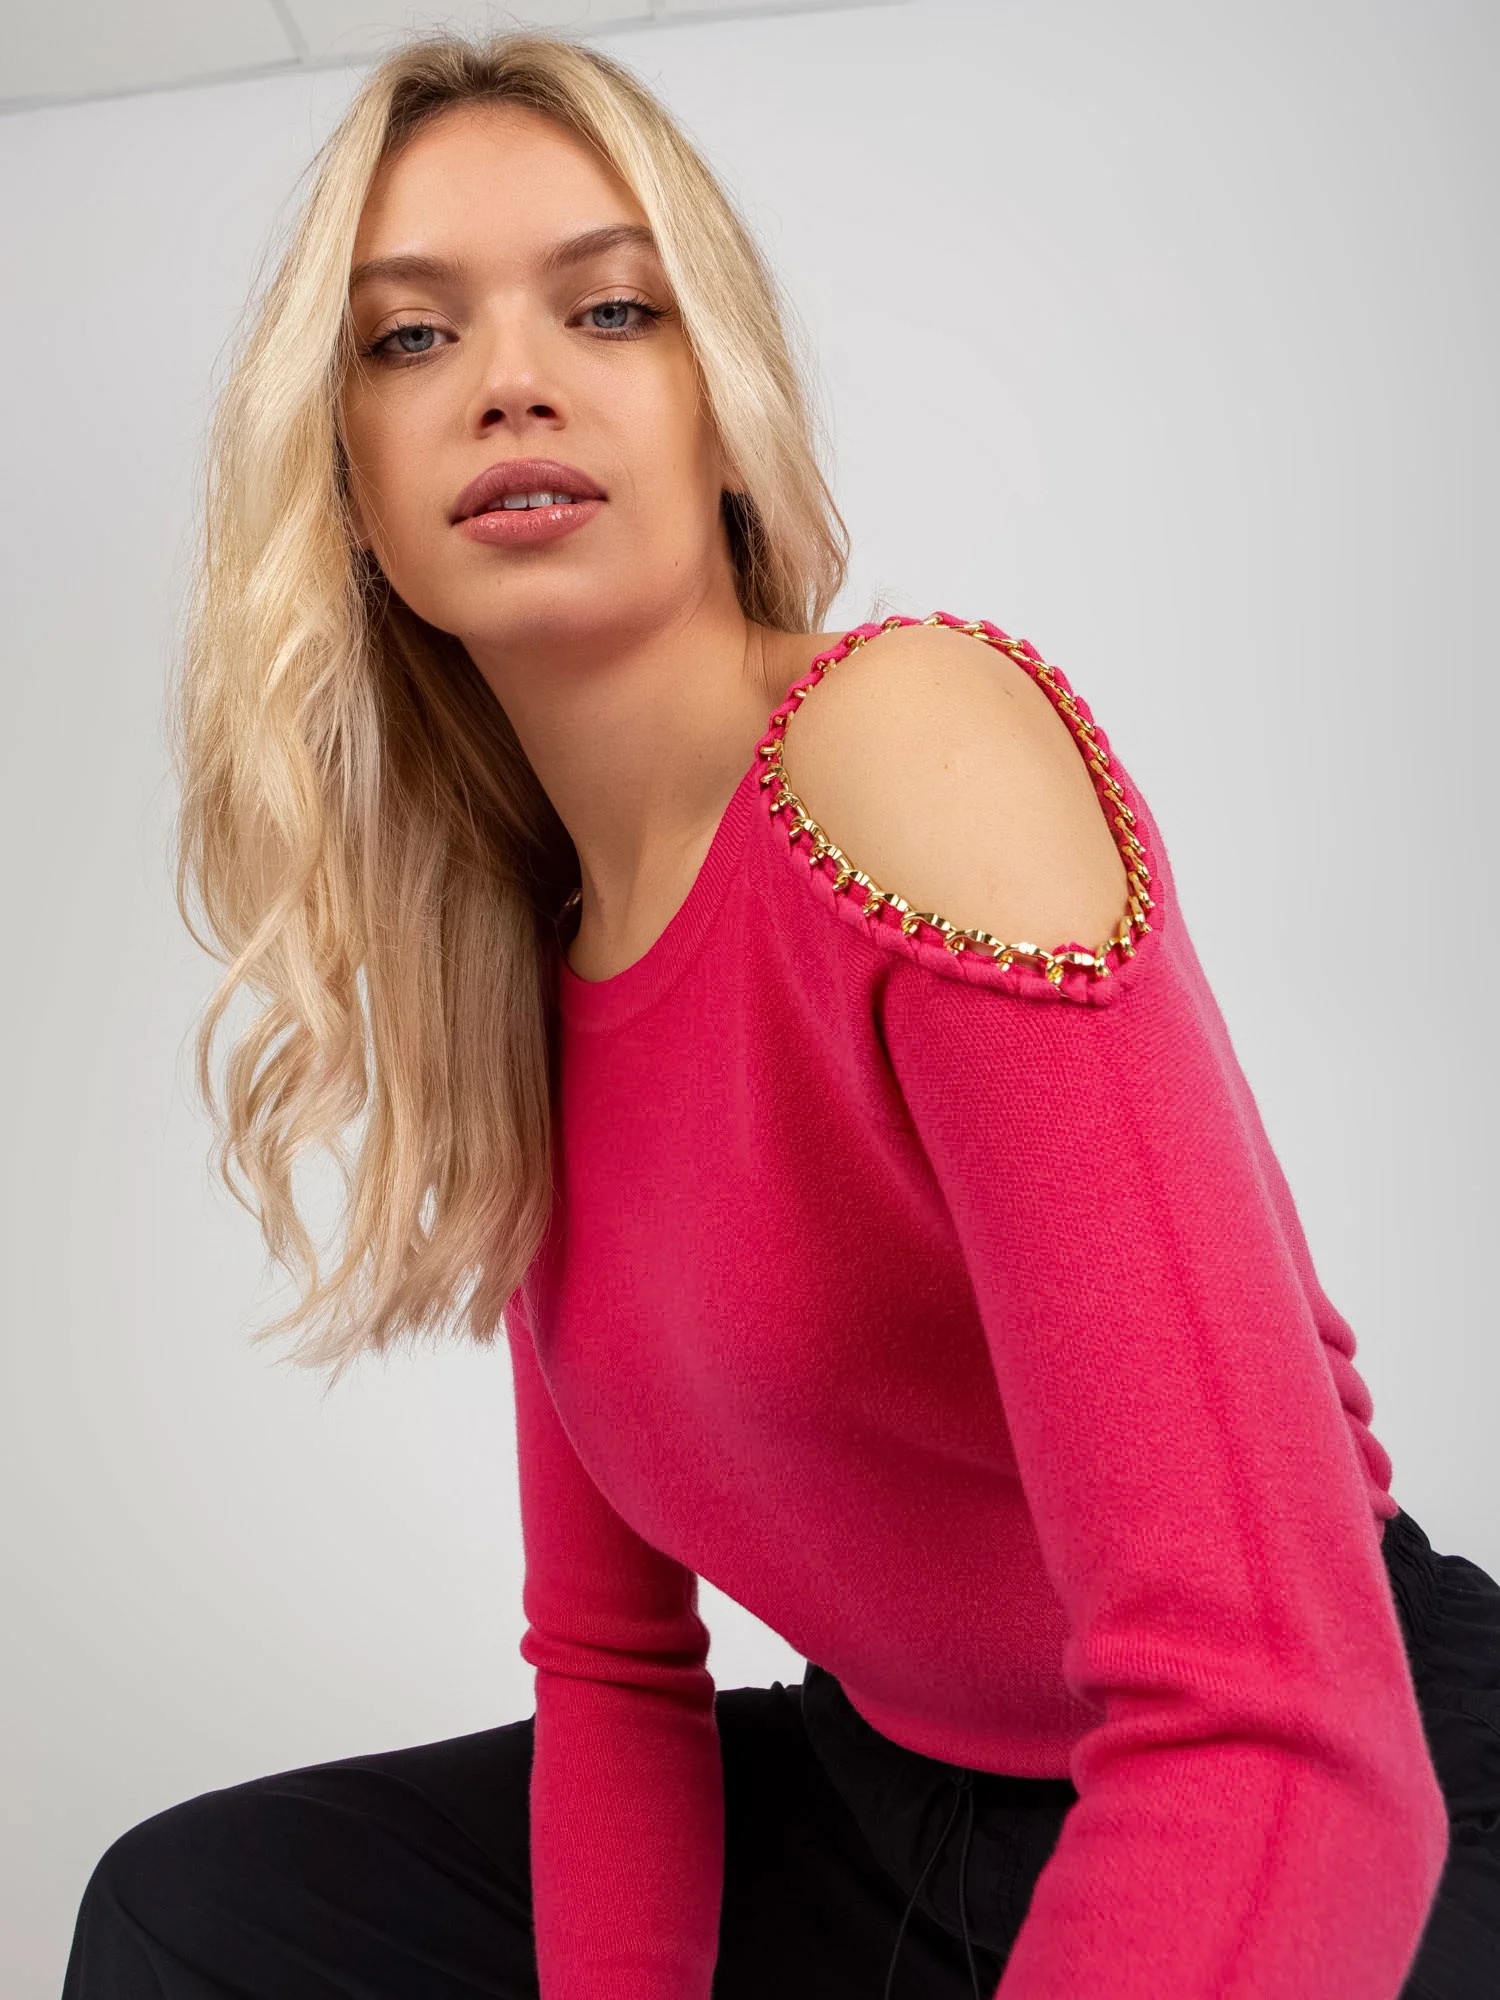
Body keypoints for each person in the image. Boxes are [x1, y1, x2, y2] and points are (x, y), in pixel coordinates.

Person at [61, 26, 1500, 2000]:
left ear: (724, 414)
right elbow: (617, 1678)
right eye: (408, 339)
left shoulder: (903, 748)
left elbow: (1281, 1727)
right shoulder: (524, 967)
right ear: (353, 491)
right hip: (886, 1803)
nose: (509, 378)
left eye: (611, 308)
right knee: (197, 1916)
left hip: (1333, 1788)